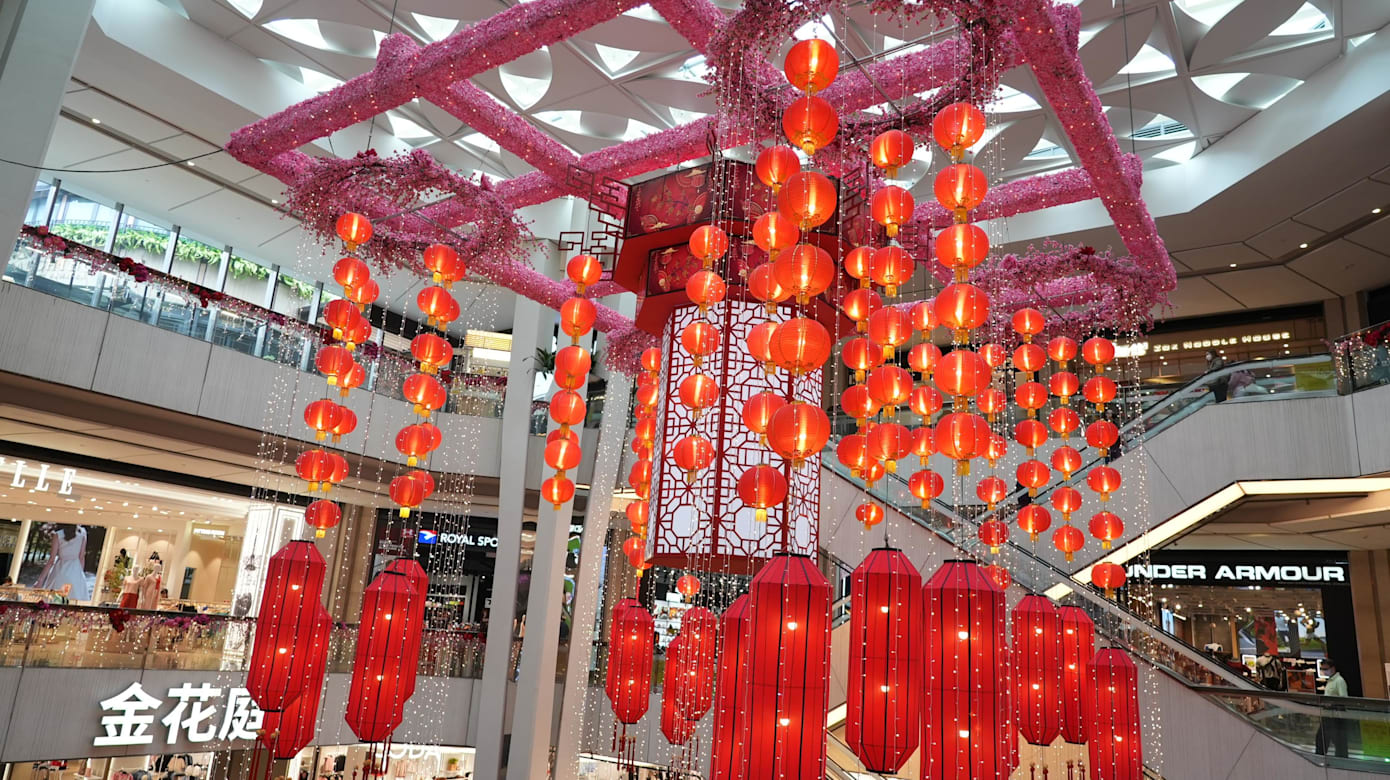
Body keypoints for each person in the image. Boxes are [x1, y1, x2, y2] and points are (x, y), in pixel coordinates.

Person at [34, 525, 89, 601]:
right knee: (74, 601)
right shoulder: (82, 534)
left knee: (54, 601)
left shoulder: (58, 535)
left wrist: (40, 580)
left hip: (60, 571)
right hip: (75, 572)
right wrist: (80, 574)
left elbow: (51, 560)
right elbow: (81, 557)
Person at [1315, 659, 1350, 758]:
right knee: (1321, 739)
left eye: (1325, 669)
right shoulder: (1330, 681)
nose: (1324, 671)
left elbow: (1344, 699)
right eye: (1322, 669)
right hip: (1328, 715)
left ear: (1333, 668)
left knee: (1338, 741)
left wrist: (1332, 704)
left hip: (1335, 716)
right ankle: (1321, 757)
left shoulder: (1339, 681)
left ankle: (1340, 760)